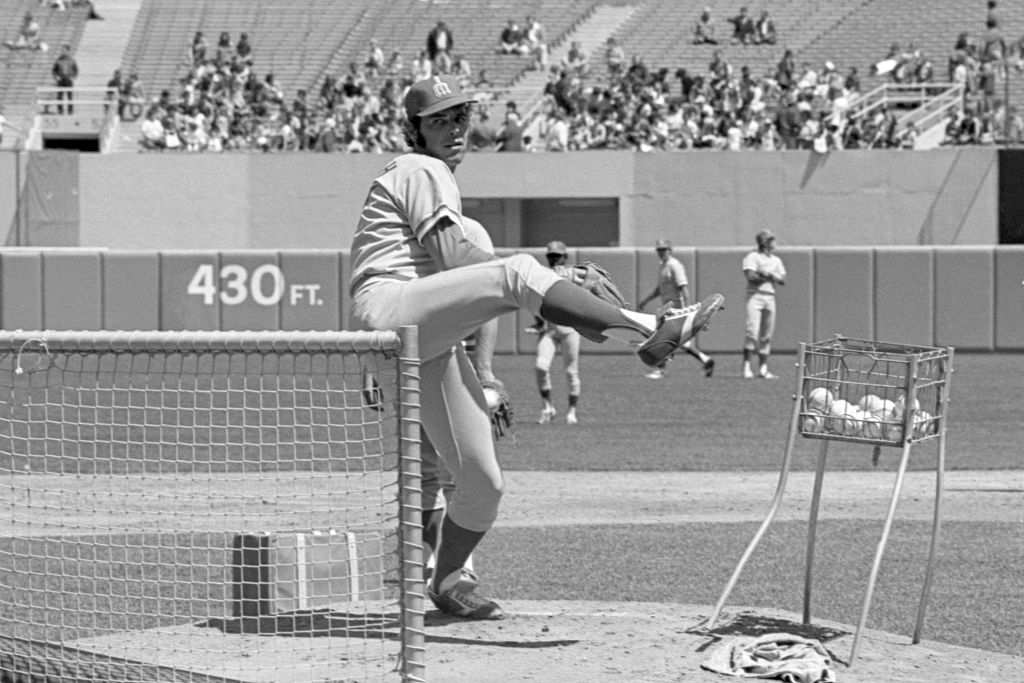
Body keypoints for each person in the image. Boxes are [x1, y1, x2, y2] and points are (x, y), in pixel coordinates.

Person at [348, 74, 724, 620]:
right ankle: (650, 331)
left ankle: (448, 580)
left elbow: (483, 289)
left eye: (460, 116)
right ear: (415, 129)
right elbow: (468, 268)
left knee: (482, 483)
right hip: (390, 311)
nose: (454, 128)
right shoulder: (419, 168)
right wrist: (552, 280)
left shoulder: (453, 203)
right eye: (439, 120)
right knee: (522, 272)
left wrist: (501, 357)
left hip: (423, 335)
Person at [637, 240, 715, 380]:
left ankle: (660, 370)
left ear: (670, 250)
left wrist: (687, 310)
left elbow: (683, 287)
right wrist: (645, 301)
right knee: (679, 342)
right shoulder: (663, 266)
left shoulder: (674, 265)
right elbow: (659, 290)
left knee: (662, 338)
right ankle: (706, 360)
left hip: (676, 308)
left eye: (664, 249)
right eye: (659, 250)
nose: (661, 252)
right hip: (667, 308)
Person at [527, 241, 582, 425]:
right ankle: (547, 407)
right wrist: (538, 322)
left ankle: (572, 412)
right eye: (551, 256)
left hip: (569, 330)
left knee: (571, 372)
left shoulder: (573, 276)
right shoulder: (543, 275)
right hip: (550, 330)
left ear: (565, 257)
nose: (554, 259)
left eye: (557, 256)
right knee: (540, 366)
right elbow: (535, 301)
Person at [742, 230, 786, 379]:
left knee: (766, 335)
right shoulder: (752, 257)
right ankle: (747, 367)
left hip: (770, 297)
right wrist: (767, 275)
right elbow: (750, 276)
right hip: (755, 296)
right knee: (752, 332)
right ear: (765, 242)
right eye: (771, 239)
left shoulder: (776, 260)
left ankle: (763, 369)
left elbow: (782, 279)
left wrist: (770, 274)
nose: (774, 242)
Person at [51, 44, 78, 114]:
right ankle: (60, 111)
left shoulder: (72, 60)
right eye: (62, 50)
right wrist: (56, 77)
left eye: (64, 50)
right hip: (61, 80)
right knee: (59, 97)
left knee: (70, 97)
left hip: (68, 80)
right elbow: (54, 71)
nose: (62, 52)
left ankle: (70, 112)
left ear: (68, 51)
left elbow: (76, 70)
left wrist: (73, 78)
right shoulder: (58, 60)